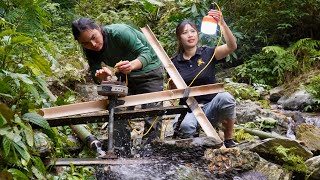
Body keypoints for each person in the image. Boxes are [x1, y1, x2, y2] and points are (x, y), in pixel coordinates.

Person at [71, 18, 164, 154]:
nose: (93, 44)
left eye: (94, 38)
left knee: (152, 113)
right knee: (118, 111)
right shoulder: (88, 48)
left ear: (98, 28)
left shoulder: (120, 33)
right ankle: (121, 152)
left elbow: (148, 53)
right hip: (125, 77)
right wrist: (103, 77)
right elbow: (95, 71)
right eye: (86, 43)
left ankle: (150, 152)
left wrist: (132, 65)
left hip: (150, 72)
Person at [170, 10, 237, 148]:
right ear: (179, 38)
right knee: (186, 127)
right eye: (185, 32)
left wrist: (222, 23)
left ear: (197, 34)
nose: (190, 35)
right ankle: (195, 145)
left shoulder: (208, 53)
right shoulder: (173, 63)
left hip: (211, 108)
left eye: (192, 31)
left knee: (227, 98)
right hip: (188, 109)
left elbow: (232, 46)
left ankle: (228, 139)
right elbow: (172, 91)